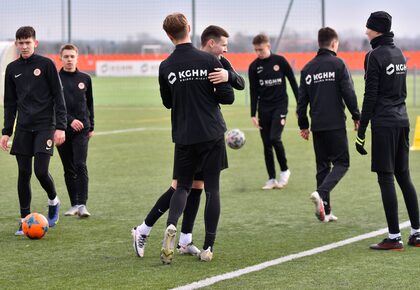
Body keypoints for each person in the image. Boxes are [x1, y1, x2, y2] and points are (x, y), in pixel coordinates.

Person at [132, 25, 244, 258]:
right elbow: (228, 97)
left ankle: (181, 236)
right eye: (223, 45)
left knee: (188, 186)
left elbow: (167, 102)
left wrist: (225, 77)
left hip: (184, 134)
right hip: (211, 133)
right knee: (207, 189)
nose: (225, 49)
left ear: (168, 35)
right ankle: (206, 246)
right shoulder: (210, 61)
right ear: (190, 29)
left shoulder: (167, 65)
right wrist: (211, 89)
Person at [356, 11, 420, 250]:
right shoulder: (399, 53)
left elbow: (370, 95)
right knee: (404, 176)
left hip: (384, 124)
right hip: (402, 121)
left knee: (386, 177)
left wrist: (361, 131)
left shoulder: (374, 56)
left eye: (368, 28)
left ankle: (394, 237)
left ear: (377, 29)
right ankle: (417, 233)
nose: (366, 31)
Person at [0, 26, 66, 234]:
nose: (24, 46)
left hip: (45, 125)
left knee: (40, 171)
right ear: (16, 44)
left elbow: (58, 96)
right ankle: (24, 219)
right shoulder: (12, 69)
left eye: (28, 42)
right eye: (21, 43)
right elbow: (10, 103)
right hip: (23, 128)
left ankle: (53, 200)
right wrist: (6, 131)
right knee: (23, 172)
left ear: (35, 43)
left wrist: (60, 127)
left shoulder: (46, 65)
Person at [297, 27, 360, 222]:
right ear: (334, 44)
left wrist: (303, 125)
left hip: (317, 125)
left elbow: (302, 101)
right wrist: (356, 116)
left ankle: (326, 211)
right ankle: (321, 193)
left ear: (319, 43)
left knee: (322, 166)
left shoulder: (307, 69)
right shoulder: (338, 64)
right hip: (335, 124)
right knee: (343, 162)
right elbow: (348, 92)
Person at [248, 34, 299, 190]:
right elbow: (253, 91)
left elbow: (293, 83)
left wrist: (300, 106)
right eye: (256, 50)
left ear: (268, 46)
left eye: (261, 49)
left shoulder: (280, 61)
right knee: (266, 144)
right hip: (264, 109)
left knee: (275, 137)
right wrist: (253, 114)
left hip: (280, 106)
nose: (258, 53)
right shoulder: (254, 67)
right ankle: (271, 179)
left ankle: (285, 171)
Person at [57, 44, 94, 218]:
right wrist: (70, 120)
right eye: (66, 56)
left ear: (77, 57)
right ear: (61, 58)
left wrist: (91, 126)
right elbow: (54, 105)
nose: (69, 59)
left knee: (80, 164)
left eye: (72, 56)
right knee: (68, 167)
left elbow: (90, 104)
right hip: (62, 129)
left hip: (82, 130)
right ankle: (73, 204)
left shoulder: (85, 78)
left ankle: (82, 205)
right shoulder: (55, 79)